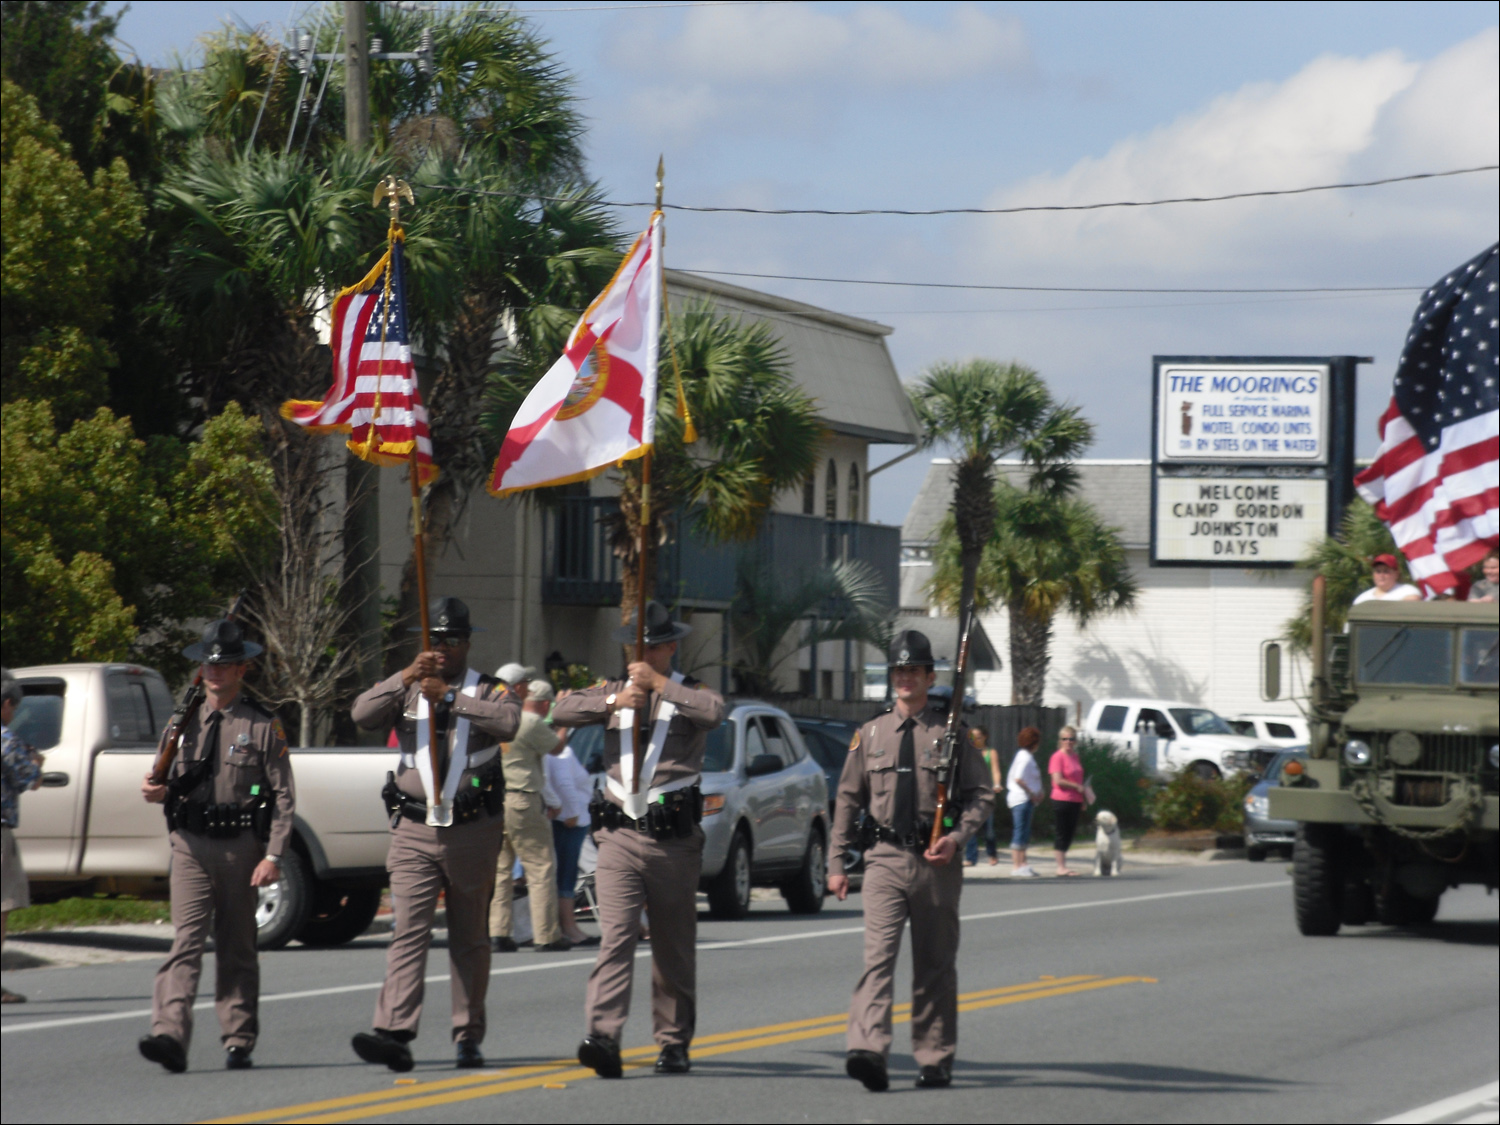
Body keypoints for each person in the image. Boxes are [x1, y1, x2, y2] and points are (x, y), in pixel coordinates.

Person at [551, 601, 725, 1079]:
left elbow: (715, 711)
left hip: (673, 840)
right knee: (617, 937)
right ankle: (603, 1036)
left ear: (671, 646)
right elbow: (559, 709)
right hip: (619, 837)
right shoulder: (613, 690)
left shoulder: (690, 691)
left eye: (653, 644)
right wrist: (615, 702)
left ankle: (672, 1042)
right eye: (637, 645)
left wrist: (660, 687)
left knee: (672, 947)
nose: (643, 652)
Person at [348, 596, 520, 1073]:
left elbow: (510, 723)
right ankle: (395, 1032)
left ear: (467, 643)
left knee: (469, 937)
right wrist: (406, 676)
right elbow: (361, 714)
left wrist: (449, 696)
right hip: (413, 830)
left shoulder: (489, 690)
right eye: (436, 639)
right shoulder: (408, 687)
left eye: (453, 640)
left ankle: (467, 1034)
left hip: (472, 829)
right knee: (409, 931)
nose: (443, 647)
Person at [828, 630, 995, 1092]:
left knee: (934, 964)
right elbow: (846, 798)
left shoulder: (952, 733)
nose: (905, 678)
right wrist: (836, 862)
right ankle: (868, 1050)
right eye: (898, 671)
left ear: (928, 677)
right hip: (882, 859)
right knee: (877, 960)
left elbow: (980, 795)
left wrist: (958, 839)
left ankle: (935, 1057)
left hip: (935, 862)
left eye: (913, 671)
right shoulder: (871, 732)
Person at [137, 621, 295, 1073]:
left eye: (224, 665)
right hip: (189, 843)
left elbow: (285, 795)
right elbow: (162, 781)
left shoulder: (263, 725)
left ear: (242, 669)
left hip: (240, 848)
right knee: (185, 941)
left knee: (236, 945)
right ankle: (168, 1033)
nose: (214, 672)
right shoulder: (180, 721)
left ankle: (238, 1037)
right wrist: (155, 791)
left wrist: (274, 855)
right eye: (209, 663)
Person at [490, 679, 569, 953]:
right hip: (524, 798)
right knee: (540, 867)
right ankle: (546, 934)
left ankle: (498, 932)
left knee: (501, 869)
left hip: (500, 799)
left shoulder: (501, 719)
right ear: (546, 704)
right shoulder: (532, 722)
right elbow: (556, 748)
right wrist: (564, 721)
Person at [2, 668, 44, 1005]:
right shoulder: (6, 739)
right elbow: (30, 777)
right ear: (5, 704)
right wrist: (36, 762)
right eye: (13, 707)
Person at [545, 704, 597, 947]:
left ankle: (566, 926)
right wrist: (574, 813)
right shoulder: (559, 754)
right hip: (569, 821)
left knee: (565, 874)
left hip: (567, 819)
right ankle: (568, 927)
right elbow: (564, 785)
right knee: (566, 876)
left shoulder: (556, 752)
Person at [1005, 726, 1045, 879]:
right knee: (1020, 832)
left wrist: (1038, 792)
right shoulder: (1025, 757)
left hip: (1026, 799)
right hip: (1021, 798)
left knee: (1024, 832)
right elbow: (1019, 778)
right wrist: (1031, 793)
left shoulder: (1024, 755)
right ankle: (1017, 865)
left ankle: (1023, 863)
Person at [1048, 727, 1087, 877]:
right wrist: (1076, 786)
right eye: (1065, 739)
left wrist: (1082, 796)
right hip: (1061, 798)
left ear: (1075, 741)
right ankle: (1060, 866)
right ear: (1060, 741)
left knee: (1070, 832)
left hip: (1076, 799)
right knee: (1061, 831)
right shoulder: (1057, 757)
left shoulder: (1075, 757)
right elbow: (1057, 779)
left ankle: (1063, 863)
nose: (1068, 742)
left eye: (1071, 739)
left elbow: (1079, 779)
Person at [962, 728, 1002, 866]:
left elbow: (995, 770)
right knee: (971, 826)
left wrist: (997, 784)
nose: (975, 739)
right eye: (973, 737)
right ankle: (971, 858)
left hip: (986, 793)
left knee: (988, 830)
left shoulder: (991, 752)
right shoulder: (969, 752)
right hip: (971, 793)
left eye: (978, 737)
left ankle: (992, 854)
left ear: (985, 737)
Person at [1352, 554, 1422, 604]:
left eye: (1386, 571)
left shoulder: (1408, 591)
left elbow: (1413, 601)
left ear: (1396, 574)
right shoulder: (1362, 599)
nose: (1381, 575)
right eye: (1378, 571)